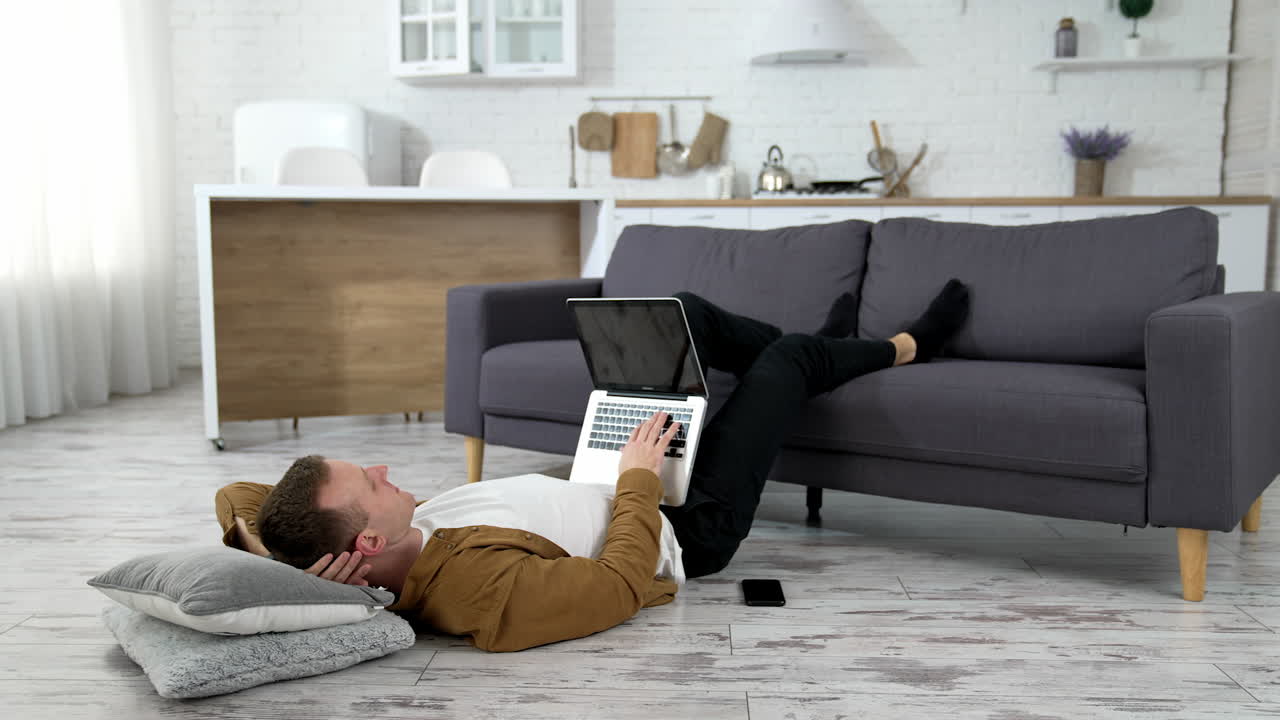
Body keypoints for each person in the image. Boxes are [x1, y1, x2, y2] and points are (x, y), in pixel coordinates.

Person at [215, 281, 970, 652]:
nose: (384, 467)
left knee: (680, 311)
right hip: (684, 524)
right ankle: (899, 345)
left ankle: (819, 354)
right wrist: (640, 477)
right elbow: (613, 590)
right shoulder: (475, 592)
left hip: (623, 481)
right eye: (371, 483)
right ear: (366, 547)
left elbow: (239, 496)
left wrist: (284, 568)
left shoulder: (398, 537)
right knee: (786, 359)